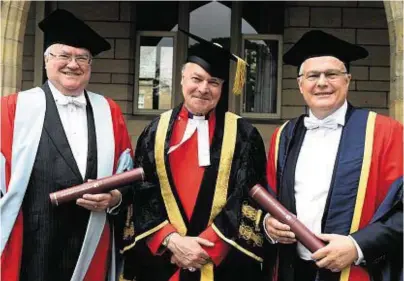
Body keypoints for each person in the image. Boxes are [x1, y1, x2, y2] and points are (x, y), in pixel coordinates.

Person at [118, 30, 269, 281]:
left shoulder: (244, 134)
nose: (203, 89)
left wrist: (208, 247)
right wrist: (169, 240)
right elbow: (142, 191)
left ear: (223, 87)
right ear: (181, 79)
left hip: (222, 262)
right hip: (164, 260)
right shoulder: (155, 131)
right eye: (196, 79)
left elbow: (248, 196)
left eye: (213, 82)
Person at [1, 9, 133, 281]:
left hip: (89, 240)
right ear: (46, 60)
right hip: (30, 242)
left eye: (82, 58)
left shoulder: (109, 112)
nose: (73, 64)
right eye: (63, 55)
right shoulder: (13, 109)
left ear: (90, 66)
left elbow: (126, 178)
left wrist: (114, 198)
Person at [264, 30, 403, 281]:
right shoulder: (284, 135)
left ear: (347, 80)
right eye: (312, 76)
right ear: (300, 84)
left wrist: (358, 245)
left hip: (357, 270)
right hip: (293, 269)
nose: (322, 83)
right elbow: (270, 197)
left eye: (332, 74)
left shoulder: (386, 133)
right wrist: (268, 224)